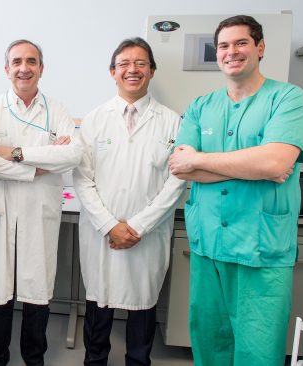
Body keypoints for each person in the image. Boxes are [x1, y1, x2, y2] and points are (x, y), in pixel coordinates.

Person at [169, 15, 303, 366]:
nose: (231, 52)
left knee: (257, 350)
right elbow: (178, 167)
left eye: (241, 43)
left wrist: (201, 161)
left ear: (260, 48)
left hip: (260, 248)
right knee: (210, 342)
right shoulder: (201, 106)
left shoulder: (288, 98)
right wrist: (253, 166)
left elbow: (276, 163)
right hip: (208, 247)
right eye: (223, 45)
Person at [73, 37, 185, 366]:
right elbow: (83, 177)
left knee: (143, 303)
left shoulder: (172, 121)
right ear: (112, 72)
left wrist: (137, 226)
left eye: (140, 64)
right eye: (124, 64)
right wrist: (110, 225)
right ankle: (95, 361)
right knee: (99, 301)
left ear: (151, 71)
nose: (132, 70)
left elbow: (177, 180)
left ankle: (139, 361)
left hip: (147, 234)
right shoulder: (94, 119)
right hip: (101, 232)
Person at [0, 39, 82, 366]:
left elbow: (73, 154)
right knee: (0, 289)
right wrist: (37, 168)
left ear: (41, 68)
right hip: (2, 209)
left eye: (32, 61)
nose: (25, 68)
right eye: (17, 62)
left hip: (40, 212)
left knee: (37, 289)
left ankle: (33, 358)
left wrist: (18, 153)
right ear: (6, 69)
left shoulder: (57, 109)